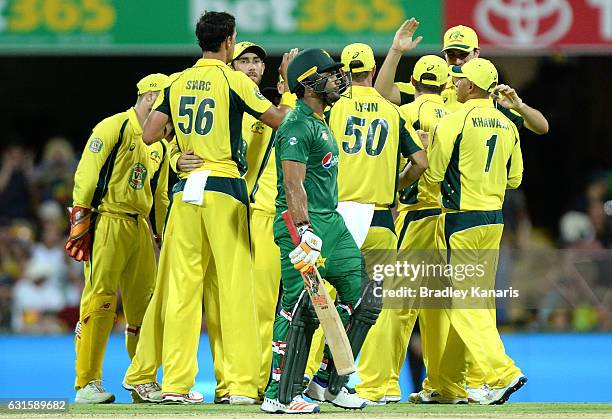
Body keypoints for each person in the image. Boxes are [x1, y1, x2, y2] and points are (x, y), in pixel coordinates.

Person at [129, 11, 291, 405]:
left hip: (186, 192)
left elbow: (150, 133)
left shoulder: (178, 81)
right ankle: (238, 386)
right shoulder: (233, 79)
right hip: (222, 188)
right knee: (235, 289)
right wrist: (292, 95)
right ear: (230, 41)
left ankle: (176, 385)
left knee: (182, 291)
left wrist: (180, 150)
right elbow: (276, 120)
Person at [301, 43, 428, 398]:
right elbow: (420, 162)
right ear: (372, 71)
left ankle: (308, 376)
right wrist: (394, 185)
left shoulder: (333, 107)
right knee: (375, 308)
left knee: (324, 300)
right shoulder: (392, 111)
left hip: (337, 216)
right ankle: (374, 384)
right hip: (380, 218)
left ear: (343, 74)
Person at [261, 48, 381, 414]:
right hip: (304, 225)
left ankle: (328, 383)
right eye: (329, 74)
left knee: (367, 300)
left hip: (332, 221)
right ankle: (279, 395)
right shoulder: (296, 125)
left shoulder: (320, 120)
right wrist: (303, 231)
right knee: (299, 311)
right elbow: (293, 185)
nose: (337, 79)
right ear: (308, 83)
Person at [421, 58, 527, 404]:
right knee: (476, 301)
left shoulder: (456, 120)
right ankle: (450, 384)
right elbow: (515, 179)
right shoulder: (508, 124)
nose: (454, 84)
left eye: (460, 79)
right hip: (493, 220)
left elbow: (434, 174)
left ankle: (502, 373)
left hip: (461, 221)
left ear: (472, 86)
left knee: (461, 302)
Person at [66, 72, 170, 404]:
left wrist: (164, 233)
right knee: (100, 300)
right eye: (167, 101)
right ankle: (87, 383)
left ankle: (143, 379)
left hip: (140, 226)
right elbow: (87, 171)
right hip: (107, 218)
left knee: (145, 306)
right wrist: (80, 220)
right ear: (152, 97)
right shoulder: (114, 126)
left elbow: (162, 196)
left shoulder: (160, 145)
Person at [354, 54, 450, 404]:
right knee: (441, 307)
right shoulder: (458, 116)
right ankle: (445, 384)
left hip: (411, 213)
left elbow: (414, 163)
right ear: (446, 84)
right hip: (449, 218)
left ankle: (378, 384)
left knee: (394, 305)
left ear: (413, 81)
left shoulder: (401, 113)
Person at [374, 19, 549, 135]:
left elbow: (542, 128)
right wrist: (396, 51)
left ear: (476, 53)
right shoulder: (433, 86)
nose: (457, 60)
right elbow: (383, 93)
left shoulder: (489, 92)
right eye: (451, 54)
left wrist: (520, 107)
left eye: (463, 54)